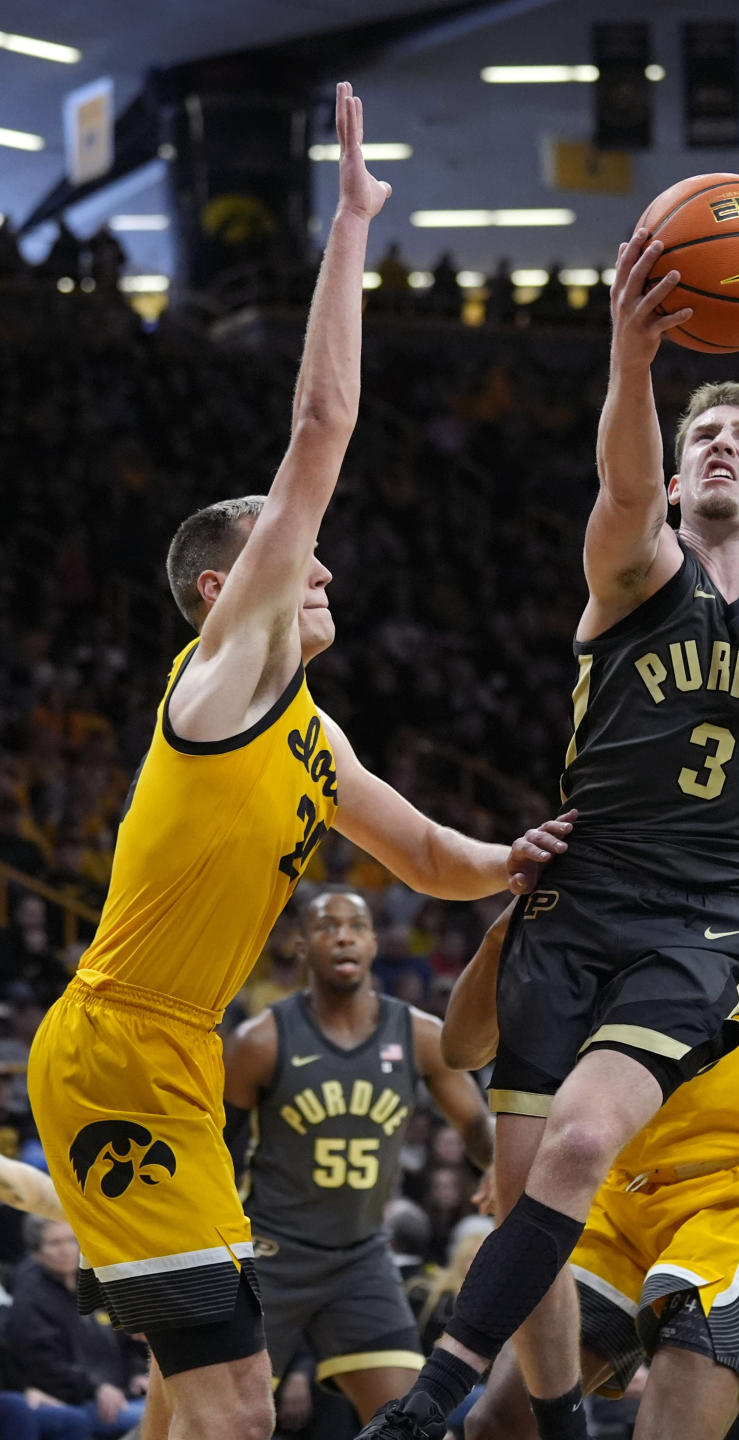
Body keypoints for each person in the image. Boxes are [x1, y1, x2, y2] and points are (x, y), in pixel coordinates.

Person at [26, 84, 571, 1440]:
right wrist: (349, 229)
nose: (318, 561)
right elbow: (322, 424)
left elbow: (435, 860)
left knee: (192, 1400)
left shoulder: (312, 733)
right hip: (120, 1050)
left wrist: (523, 861)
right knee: (235, 1409)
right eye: (285, 549)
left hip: (168, 1055)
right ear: (224, 588)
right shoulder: (219, 679)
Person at [358, 233, 739, 1438]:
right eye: (706, 430)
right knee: (523, 1175)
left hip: (698, 918)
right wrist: (631, 355)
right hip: (578, 896)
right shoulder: (634, 575)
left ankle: (428, 1397)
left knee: (585, 1136)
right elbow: (626, 489)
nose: (719, 445)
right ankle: (521, 1410)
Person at [444, 671, 739, 1440]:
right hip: (612, 1194)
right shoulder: (585, 878)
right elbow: (463, 1045)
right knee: (499, 1424)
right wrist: (517, 906)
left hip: (726, 1189)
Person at [222, 885, 497, 1425]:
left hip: (360, 1260)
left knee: (412, 1426)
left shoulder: (419, 1034)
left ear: (373, 943)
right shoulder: (260, 1041)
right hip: (270, 1259)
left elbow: (475, 1126)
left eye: (356, 926)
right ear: (301, 946)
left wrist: (498, 1167)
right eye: (327, 926)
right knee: (222, 1425)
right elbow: (216, 1152)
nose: (343, 935)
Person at [5, 1216, 149, 1437]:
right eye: (54, 1243)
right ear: (36, 1251)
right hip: (79, 1402)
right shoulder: (30, 1300)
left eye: (71, 1240)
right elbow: (43, 1365)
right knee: (161, 1420)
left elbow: (130, 1338)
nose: (65, 1250)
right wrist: (96, 1389)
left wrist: (140, 1372)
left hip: (127, 1393)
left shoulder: (96, 1283)